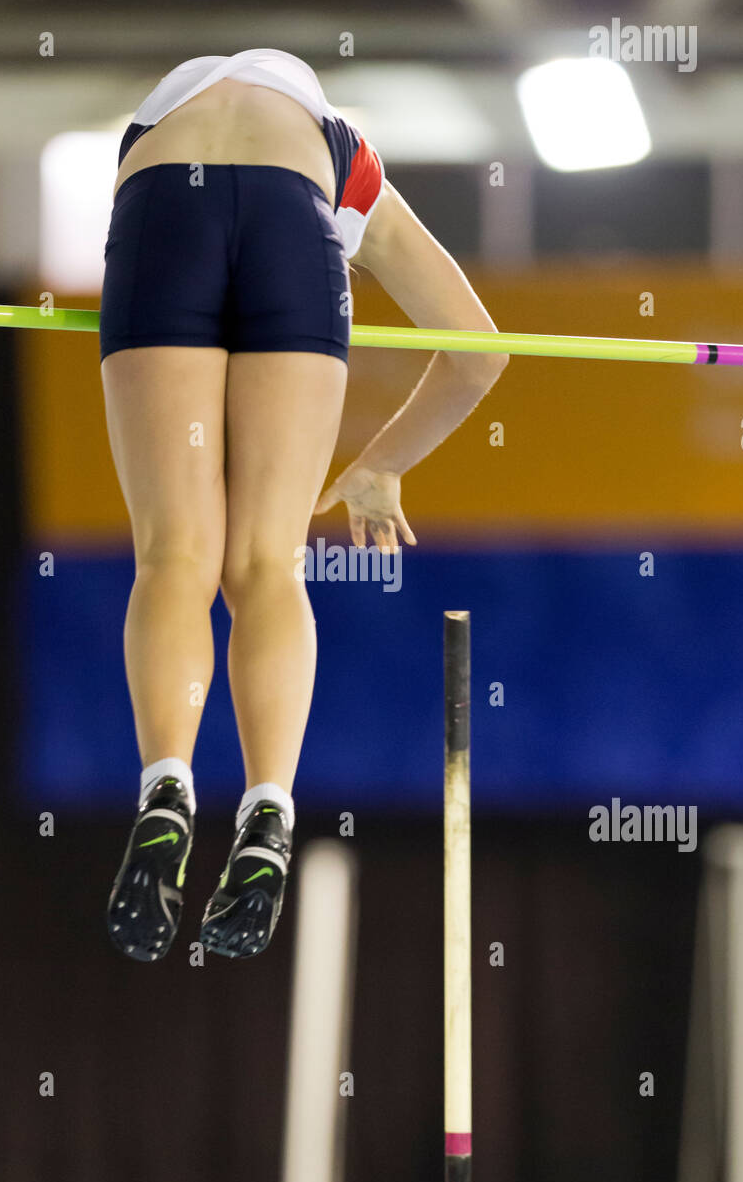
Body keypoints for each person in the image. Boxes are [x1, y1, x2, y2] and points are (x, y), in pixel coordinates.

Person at [99, 48, 506, 962]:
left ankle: (167, 788)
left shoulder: (158, 131)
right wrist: (380, 465)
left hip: (165, 206)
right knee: (266, 565)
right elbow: (480, 353)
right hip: (295, 222)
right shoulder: (349, 169)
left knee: (174, 557)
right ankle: (269, 812)